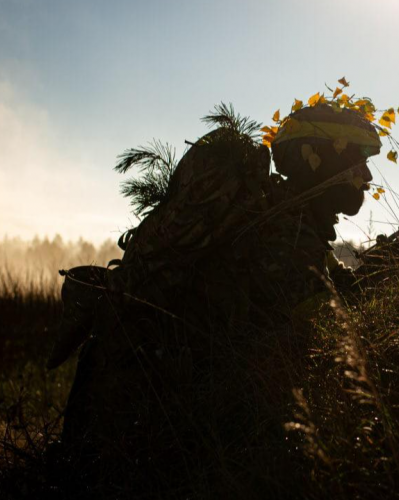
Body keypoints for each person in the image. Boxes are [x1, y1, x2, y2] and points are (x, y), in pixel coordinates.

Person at [50, 103, 381, 497]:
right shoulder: (285, 238)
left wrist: (384, 267)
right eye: (357, 160)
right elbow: (322, 330)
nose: (367, 176)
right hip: (150, 443)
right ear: (320, 160)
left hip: (150, 429)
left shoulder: (284, 223)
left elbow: (329, 296)